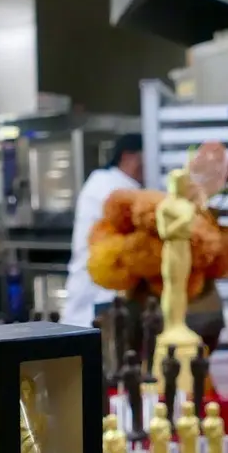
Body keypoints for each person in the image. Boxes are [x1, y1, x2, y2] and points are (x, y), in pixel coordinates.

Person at [59, 133, 143, 327]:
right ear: (128, 156)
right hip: (94, 298)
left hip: (99, 297)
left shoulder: (112, 183)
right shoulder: (109, 186)